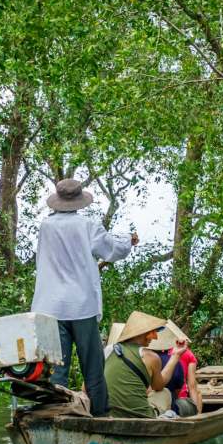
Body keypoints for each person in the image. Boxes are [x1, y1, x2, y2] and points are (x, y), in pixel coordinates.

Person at [31, 178, 138, 416]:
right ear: (79, 201)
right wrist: (128, 241)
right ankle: (100, 417)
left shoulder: (46, 226)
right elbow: (113, 249)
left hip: (50, 307)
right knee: (93, 368)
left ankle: (54, 414)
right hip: (81, 307)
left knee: (56, 368)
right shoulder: (87, 225)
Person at [104, 311, 187, 418]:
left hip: (107, 414)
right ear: (145, 334)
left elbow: (86, 388)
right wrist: (176, 356)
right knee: (164, 392)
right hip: (142, 416)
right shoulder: (151, 357)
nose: (156, 337)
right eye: (154, 332)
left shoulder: (106, 351)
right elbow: (159, 386)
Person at [147, 321, 202, 417]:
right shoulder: (183, 355)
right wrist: (197, 414)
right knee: (196, 396)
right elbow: (191, 387)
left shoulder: (142, 357)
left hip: (148, 404)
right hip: (174, 403)